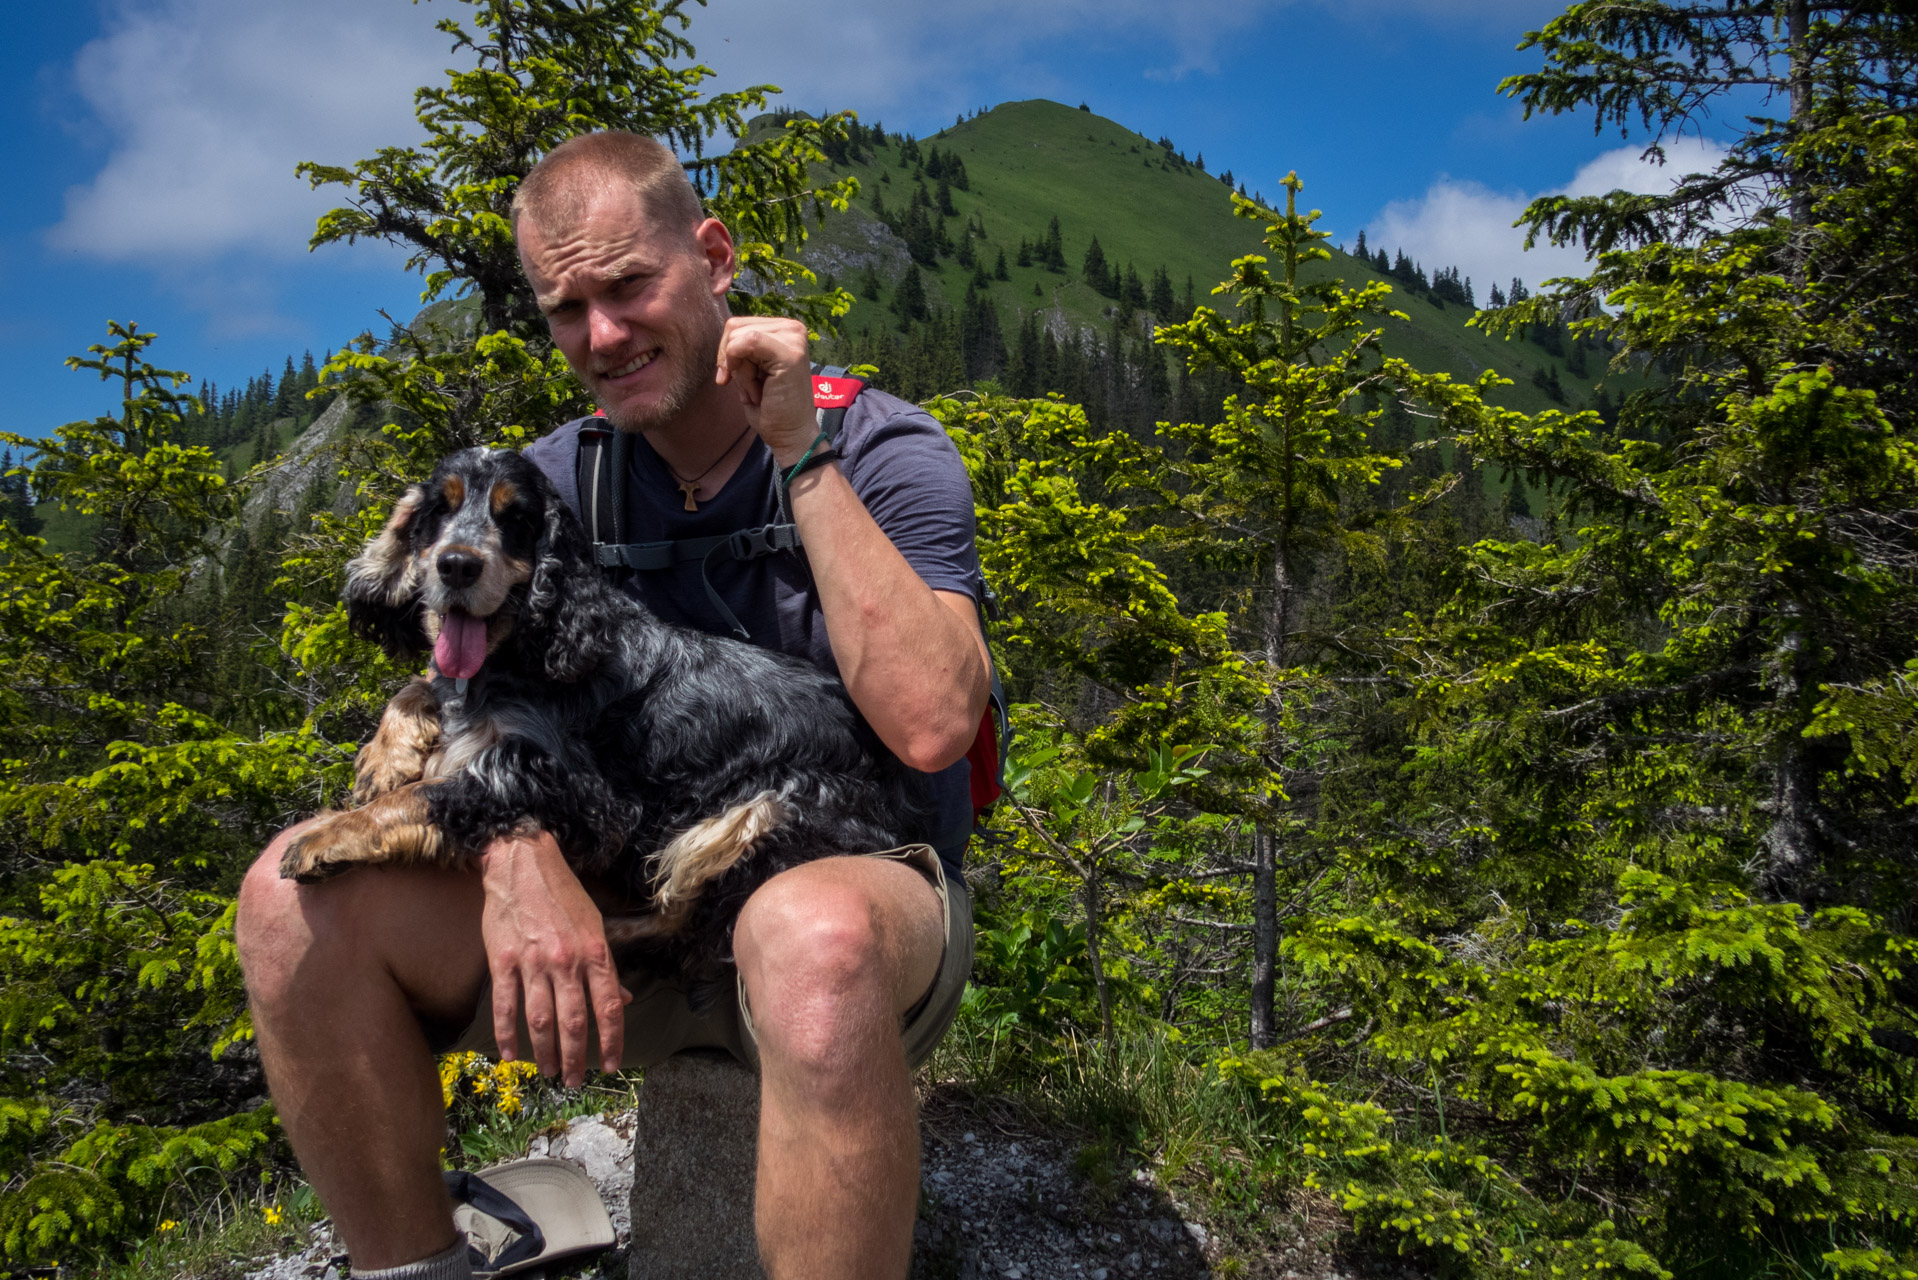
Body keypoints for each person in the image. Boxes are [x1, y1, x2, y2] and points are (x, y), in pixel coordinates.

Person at [236, 130, 991, 1280]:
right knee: (285, 901)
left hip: (856, 898)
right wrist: (509, 851)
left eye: (629, 285)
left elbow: (934, 723)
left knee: (810, 935)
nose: (601, 334)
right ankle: (417, 1266)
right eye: (564, 307)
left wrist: (801, 454)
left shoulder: (882, 447)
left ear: (713, 257)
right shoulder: (545, 486)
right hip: (615, 919)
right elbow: (472, 682)